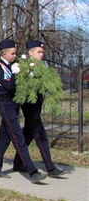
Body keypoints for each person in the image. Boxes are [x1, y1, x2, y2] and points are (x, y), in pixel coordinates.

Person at [0, 39, 47, 183]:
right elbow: (8, 86)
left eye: (15, 53)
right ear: (4, 53)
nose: (15, 55)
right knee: (18, 137)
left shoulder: (12, 65)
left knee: (4, 136)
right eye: (12, 53)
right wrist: (16, 75)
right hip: (5, 104)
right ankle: (32, 172)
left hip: (14, 104)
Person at [12, 40, 67, 178]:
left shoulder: (42, 67)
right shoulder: (24, 68)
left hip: (37, 105)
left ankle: (18, 163)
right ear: (30, 53)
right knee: (41, 136)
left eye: (42, 52)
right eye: (39, 52)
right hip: (30, 106)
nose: (42, 54)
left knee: (28, 134)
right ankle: (51, 168)